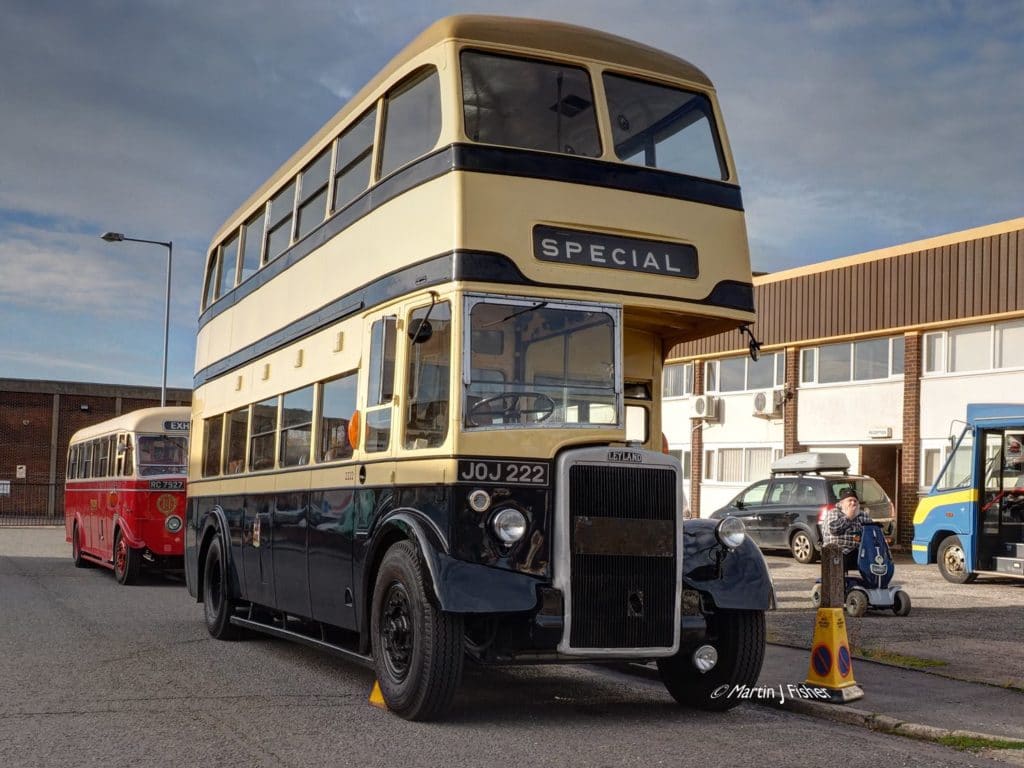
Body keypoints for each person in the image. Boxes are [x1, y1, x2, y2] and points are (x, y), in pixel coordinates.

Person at [822, 487, 872, 571]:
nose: (853, 503)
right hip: (838, 551)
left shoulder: (863, 515)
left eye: (855, 501)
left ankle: (874, 583)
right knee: (836, 556)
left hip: (857, 551)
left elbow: (872, 530)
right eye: (850, 500)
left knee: (873, 558)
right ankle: (837, 583)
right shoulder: (834, 513)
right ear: (842, 503)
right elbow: (833, 529)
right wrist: (848, 517)